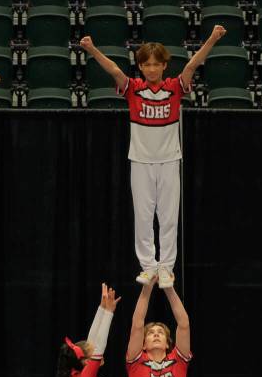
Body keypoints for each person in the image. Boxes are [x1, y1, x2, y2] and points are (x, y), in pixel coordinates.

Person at [79, 26, 226, 287]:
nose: (151, 69)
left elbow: (192, 65)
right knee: (144, 218)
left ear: (164, 66)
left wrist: (212, 39)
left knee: (169, 217)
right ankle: (148, 266)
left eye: (156, 65)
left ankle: (167, 268)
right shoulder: (133, 89)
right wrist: (92, 50)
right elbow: (114, 70)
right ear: (140, 67)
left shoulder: (174, 88)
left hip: (170, 160)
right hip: (140, 160)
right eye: (146, 65)